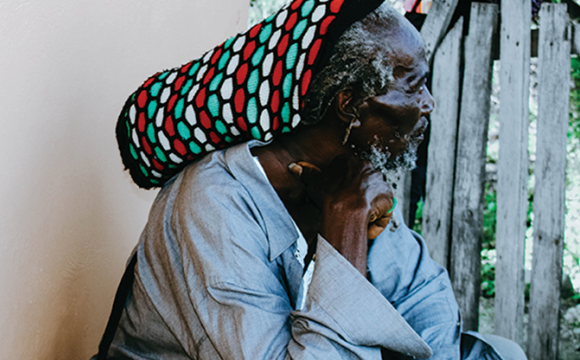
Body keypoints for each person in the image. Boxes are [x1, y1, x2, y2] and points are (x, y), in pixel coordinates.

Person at [94, 1, 528, 359]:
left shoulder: (348, 176)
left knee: (502, 352)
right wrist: (345, 234)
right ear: (350, 105)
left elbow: (422, 292)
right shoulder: (212, 206)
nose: (427, 104)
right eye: (413, 86)